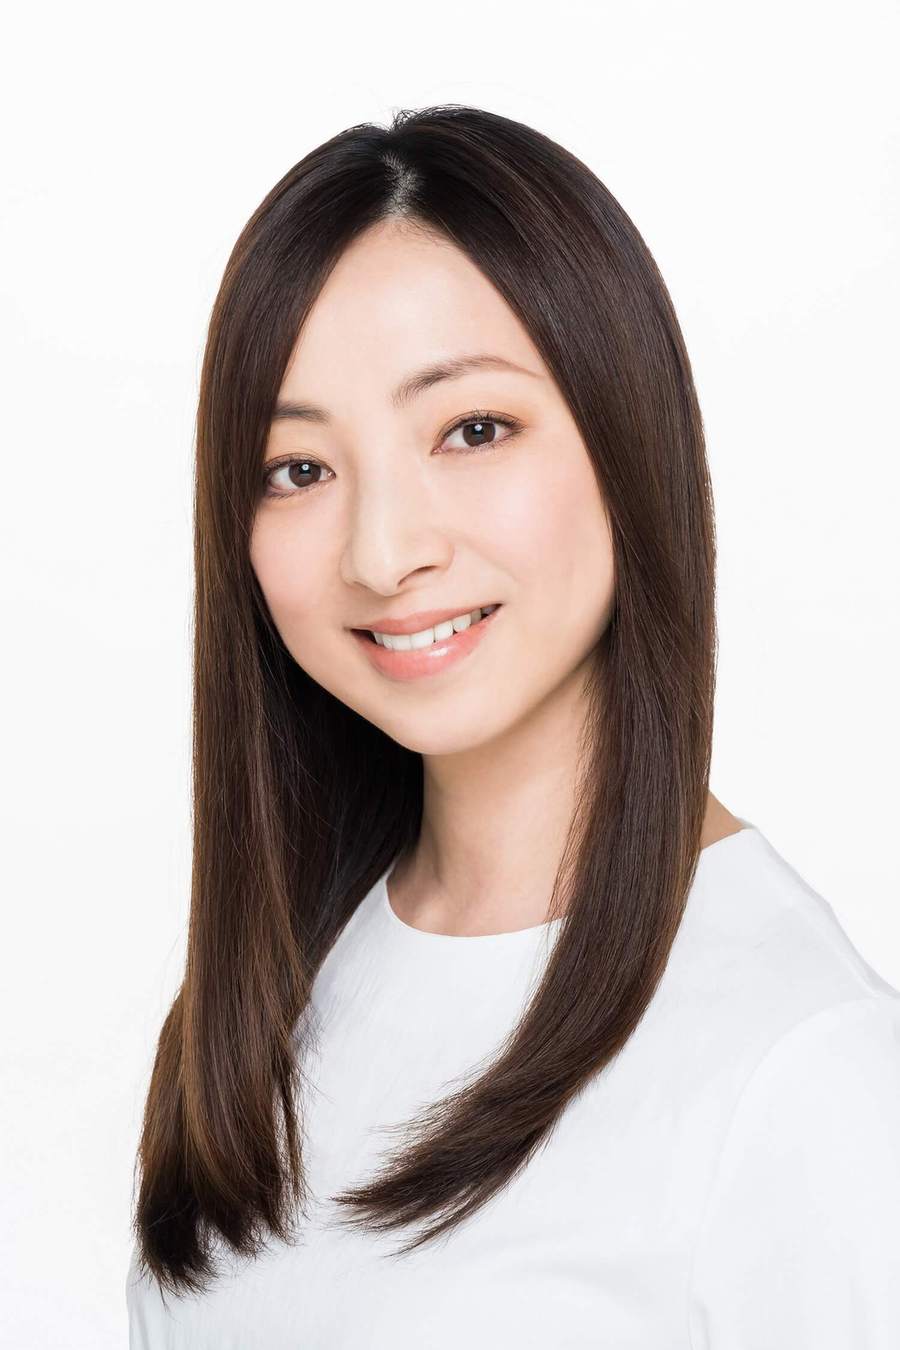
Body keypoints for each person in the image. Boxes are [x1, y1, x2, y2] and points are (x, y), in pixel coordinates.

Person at [126, 105, 900, 1347]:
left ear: (625, 435)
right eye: (299, 469)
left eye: (473, 430)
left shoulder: (800, 1067)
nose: (384, 552)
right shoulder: (281, 985)